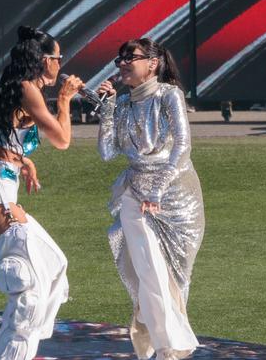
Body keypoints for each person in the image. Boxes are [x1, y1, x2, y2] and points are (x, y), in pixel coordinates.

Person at [0, 26, 82, 360]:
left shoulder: (17, 88)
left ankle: (14, 345)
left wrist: (22, 159)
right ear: (45, 61)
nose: (61, 64)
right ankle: (12, 351)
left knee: (55, 265)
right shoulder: (27, 88)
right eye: (58, 58)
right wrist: (64, 100)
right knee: (26, 283)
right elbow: (61, 139)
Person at [96, 38, 205, 360]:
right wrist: (107, 109)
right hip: (136, 192)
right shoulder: (124, 103)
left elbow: (182, 147)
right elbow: (107, 153)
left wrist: (157, 189)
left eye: (131, 58)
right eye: (120, 59)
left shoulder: (169, 95)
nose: (123, 64)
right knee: (150, 270)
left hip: (178, 194)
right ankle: (168, 348)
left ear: (153, 63)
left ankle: (150, 328)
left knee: (175, 275)